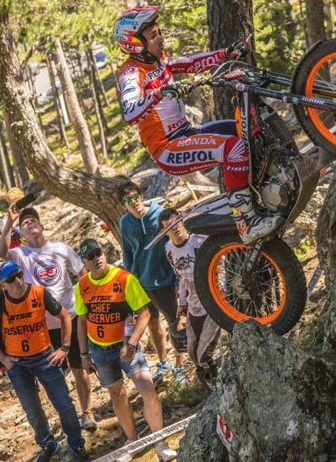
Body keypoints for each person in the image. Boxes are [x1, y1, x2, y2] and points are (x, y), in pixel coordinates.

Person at [113, 6, 282, 243]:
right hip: (168, 148)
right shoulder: (131, 72)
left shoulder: (158, 61)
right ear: (135, 44)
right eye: (153, 36)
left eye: (158, 32)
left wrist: (227, 53)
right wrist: (158, 93)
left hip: (186, 133)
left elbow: (190, 62)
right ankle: (247, 221)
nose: (160, 38)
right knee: (234, 149)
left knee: (248, 126)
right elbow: (130, 112)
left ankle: (268, 190)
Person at [0, 204, 98, 431]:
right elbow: (0, 254)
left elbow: (81, 274)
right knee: (55, 376)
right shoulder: (21, 254)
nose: (30, 223)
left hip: (69, 318)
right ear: (20, 235)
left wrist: (85, 303)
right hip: (40, 326)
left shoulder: (61, 248)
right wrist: (10, 223)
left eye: (33, 220)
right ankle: (68, 416)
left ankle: (87, 413)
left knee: (80, 369)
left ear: (42, 226)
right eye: (25, 224)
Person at [75, 238, 177, 462]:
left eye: (99, 252)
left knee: (147, 388)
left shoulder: (124, 279)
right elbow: (81, 321)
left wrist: (131, 343)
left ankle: (160, 442)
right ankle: (132, 442)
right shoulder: (82, 286)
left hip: (126, 347)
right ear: (84, 262)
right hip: (99, 350)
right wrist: (83, 355)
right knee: (117, 394)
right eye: (91, 256)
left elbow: (145, 313)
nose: (97, 258)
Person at [0, 261, 90, 462]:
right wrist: (2, 358)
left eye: (19, 275)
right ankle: (48, 444)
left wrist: (64, 348)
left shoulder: (39, 293)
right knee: (32, 409)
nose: (17, 281)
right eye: (10, 279)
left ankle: (76, 444)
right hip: (17, 364)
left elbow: (65, 317)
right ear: (3, 284)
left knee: (64, 403)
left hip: (44, 357)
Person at [117, 181, 185, 384]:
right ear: (123, 205)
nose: (134, 201)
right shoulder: (125, 223)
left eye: (135, 196)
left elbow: (174, 242)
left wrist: (177, 278)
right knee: (153, 323)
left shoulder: (159, 213)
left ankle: (180, 365)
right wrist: (130, 281)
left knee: (176, 323)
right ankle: (164, 362)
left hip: (165, 279)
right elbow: (127, 253)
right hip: (142, 282)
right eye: (128, 200)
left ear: (140, 195)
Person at [159, 208, 222, 390]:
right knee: (192, 351)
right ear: (164, 232)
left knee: (204, 352)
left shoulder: (199, 240)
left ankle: (218, 381)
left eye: (176, 221)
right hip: (193, 300)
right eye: (168, 226)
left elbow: (221, 263)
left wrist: (223, 290)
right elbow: (180, 277)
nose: (175, 228)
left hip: (213, 297)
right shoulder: (169, 249)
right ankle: (207, 381)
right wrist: (182, 303)